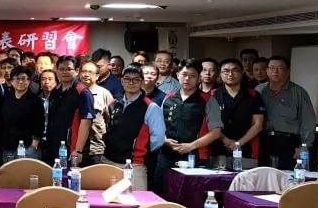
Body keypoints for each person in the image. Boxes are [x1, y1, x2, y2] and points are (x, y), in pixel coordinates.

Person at [156, 58, 223, 193]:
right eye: (184, 74)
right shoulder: (168, 98)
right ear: (177, 75)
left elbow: (216, 132)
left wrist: (191, 146)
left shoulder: (208, 100)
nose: (187, 79)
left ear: (199, 78)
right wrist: (164, 140)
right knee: (162, 193)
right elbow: (158, 126)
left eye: (192, 76)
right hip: (166, 155)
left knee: (190, 195)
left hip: (195, 156)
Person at [101, 64, 166, 190]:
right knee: (106, 200)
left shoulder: (151, 107)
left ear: (141, 82)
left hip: (135, 165)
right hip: (108, 160)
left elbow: (158, 139)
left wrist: (140, 150)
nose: (131, 82)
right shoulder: (114, 104)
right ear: (122, 81)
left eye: (136, 79)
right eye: (127, 79)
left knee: (136, 200)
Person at [256, 55, 317, 169]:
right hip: (263, 140)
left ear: (288, 71)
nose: (275, 71)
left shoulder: (298, 92)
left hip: (289, 142)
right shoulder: (259, 90)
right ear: (267, 71)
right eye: (272, 68)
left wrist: (304, 146)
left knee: (287, 175)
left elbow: (308, 121)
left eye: (280, 68)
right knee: (264, 174)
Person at [210, 57, 264, 170]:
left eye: (235, 70)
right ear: (220, 74)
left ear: (241, 72)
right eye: (226, 71)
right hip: (218, 150)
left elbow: (258, 125)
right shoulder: (213, 95)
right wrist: (225, 140)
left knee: (247, 180)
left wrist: (238, 143)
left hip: (247, 150)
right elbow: (210, 123)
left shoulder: (253, 95)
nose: (230, 74)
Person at [0, 65, 43, 162]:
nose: (20, 81)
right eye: (17, 79)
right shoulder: (6, 97)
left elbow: (39, 123)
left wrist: (34, 145)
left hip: (27, 147)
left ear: (29, 81)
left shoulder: (35, 100)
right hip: (8, 146)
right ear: (12, 81)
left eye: (23, 78)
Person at [78, 60, 114, 165]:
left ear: (97, 76)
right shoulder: (74, 92)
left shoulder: (104, 93)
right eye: (84, 71)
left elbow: (111, 120)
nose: (86, 75)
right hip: (76, 146)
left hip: (97, 148)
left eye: (90, 72)